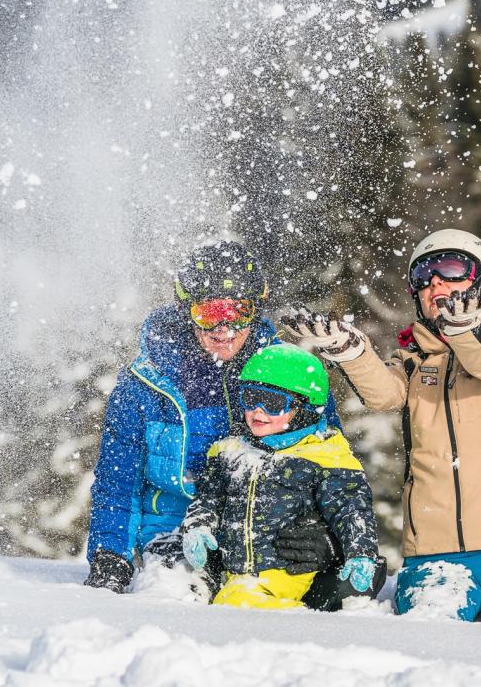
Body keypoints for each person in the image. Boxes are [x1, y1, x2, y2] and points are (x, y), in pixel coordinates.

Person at [282, 229, 481, 628]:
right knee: (432, 633)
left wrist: (464, 328)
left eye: (451, 269)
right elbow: (383, 394)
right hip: (435, 555)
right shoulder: (412, 363)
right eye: (423, 276)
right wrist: (349, 348)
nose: (434, 281)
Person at [84, 242, 346, 598]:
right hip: (173, 530)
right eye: (209, 314)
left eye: (237, 311)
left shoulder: (288, 372)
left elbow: (329, 461)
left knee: (327, 597)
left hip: (264, 526)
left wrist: (326, 532)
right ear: (186, 311)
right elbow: (118, 481)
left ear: (255, 310)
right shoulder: (145, 382)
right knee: (177, 596)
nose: (223, 328)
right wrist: (110, 554)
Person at [178, 343, 381, 609]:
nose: (257, 411)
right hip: (236, 571)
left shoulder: (323, 457)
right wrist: (199, 526)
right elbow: (208, 500)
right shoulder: (229, 452)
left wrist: (360, 552)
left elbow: (352, 510)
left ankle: (298, 629)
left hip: (291, 574)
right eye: (250, 398)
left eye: (273, 403)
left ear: (305, 408)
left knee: (241, 603)